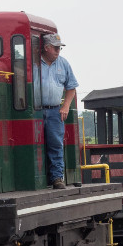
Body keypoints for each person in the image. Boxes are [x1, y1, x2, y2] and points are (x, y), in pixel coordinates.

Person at [39, 33, 79, 189]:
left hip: (55, 110)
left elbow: (71, 87)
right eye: (55, 48)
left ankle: (57, 178)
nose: (58, 51)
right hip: (35, 110)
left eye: (59, 48)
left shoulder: (64, 64)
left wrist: (66, 106)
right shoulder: (33, 63)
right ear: (46, 48)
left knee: (56, 144)